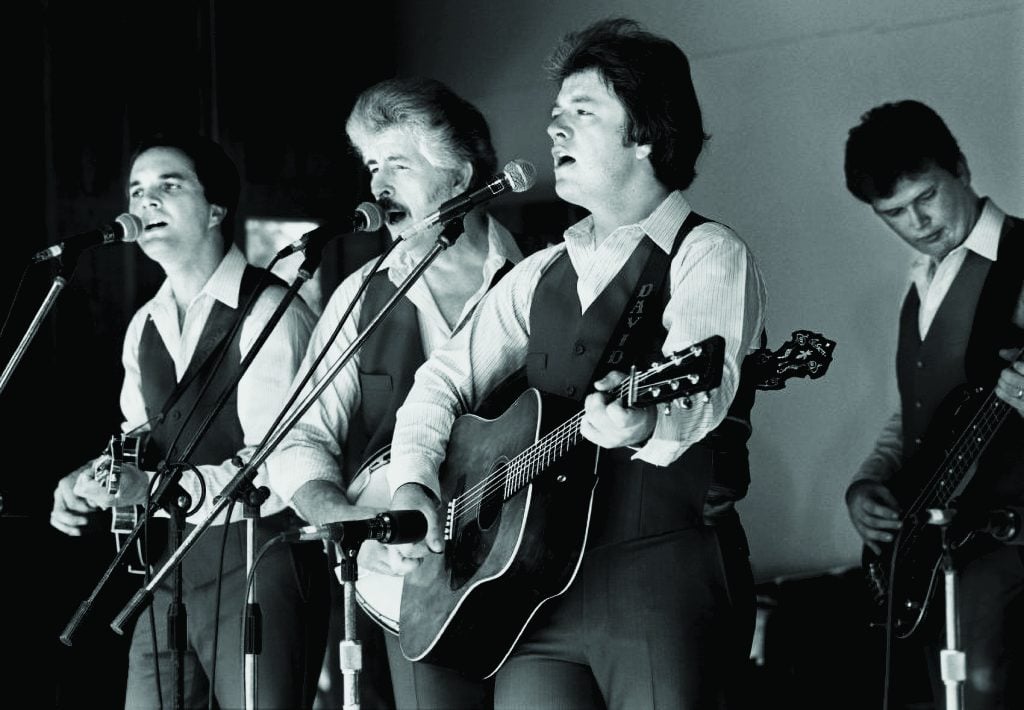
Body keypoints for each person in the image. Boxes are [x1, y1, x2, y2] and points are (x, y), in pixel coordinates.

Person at [385, 18, 768, 710]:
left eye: (582, 113)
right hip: (533, 598)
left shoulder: (708, 253)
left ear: (645, 132)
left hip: (659, 583)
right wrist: (413, 481)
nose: (554, 128)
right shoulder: (541, 271)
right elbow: (439, 382)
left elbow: (702, 397)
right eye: (555, 112)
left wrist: (643, 421)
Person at [265, 77, 523, 709]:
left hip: (532, 574)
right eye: (372, 165)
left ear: (459, 177)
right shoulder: (360, 296)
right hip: (407, 587)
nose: (377, 185)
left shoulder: (541, 282)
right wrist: (348, 521)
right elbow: (298, 440)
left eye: (398, 165)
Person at [48, 131, 329, 710]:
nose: (146, 201)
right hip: (166, 570)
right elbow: (139, 438)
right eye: (137, 190)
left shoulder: (271, 310)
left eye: (169, 186)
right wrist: (89, 478)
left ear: (216, 209)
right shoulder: (145, 323)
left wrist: (152, 489)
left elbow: (276, 467)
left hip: (259, 563)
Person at [843, 100, 1024, 710]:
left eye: (926, 197)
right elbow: (917, 415)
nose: (917, 223)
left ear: (962, 169)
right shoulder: (920, 282)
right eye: (893, 213)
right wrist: (869, 481)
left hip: (1006, 547)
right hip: (934, 556)